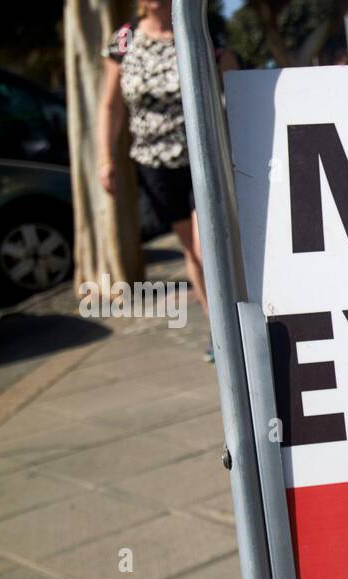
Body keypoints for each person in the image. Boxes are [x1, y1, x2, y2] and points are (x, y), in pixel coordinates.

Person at [97, 0, 236, 357]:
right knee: (191, 248)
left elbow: (232, 82)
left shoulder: (200, 29)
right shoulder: (124, 40)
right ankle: (217, 331)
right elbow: (110, 105)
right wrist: (105, 158)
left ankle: (234, 324)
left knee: (208, 247)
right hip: (155, 164)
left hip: (203, 155)